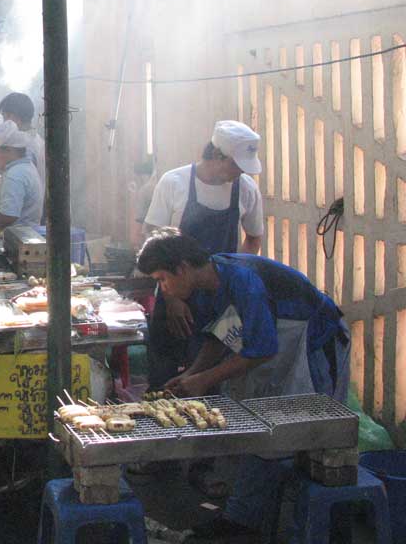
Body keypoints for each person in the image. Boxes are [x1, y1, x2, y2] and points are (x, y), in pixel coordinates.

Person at [136, 230, 349, 540]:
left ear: (182, 268)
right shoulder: (208, 284)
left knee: (316, 431)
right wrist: (191, 374)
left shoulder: (243, 280)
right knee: (266, 433)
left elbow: (261, 350)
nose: (163, 288)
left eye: (162, 279)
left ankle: (330, 524)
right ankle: (243, 518)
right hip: (280, 347)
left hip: (316, 341)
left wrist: (204, 379)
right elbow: (221, 335)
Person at [143, 120, 265, 389]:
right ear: (218, 155)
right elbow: (154, 239)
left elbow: (254, 238)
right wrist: (172, 298)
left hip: (219, 301)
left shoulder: (246, 189)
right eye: (236, 165)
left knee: (208, 383)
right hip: (172, 295)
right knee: (163, 378)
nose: (241, 172)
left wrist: (235, 278)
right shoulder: (174, 182)